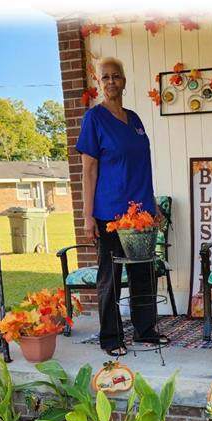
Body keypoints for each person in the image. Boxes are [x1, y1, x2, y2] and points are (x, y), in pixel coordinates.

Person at [76, 56, 168, 357]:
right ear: (99, 83)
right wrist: (88, 216)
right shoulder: (94, 119)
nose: (111, 81)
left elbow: (145, 167)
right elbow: (88, 170)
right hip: (110, 213)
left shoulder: (136, 120)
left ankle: (145, 331)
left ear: (124, 81)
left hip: (140, 213)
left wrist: (152, 205)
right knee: (111, 276)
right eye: (105, 77)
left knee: (144, 273)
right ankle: (111, 337)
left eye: (116, 76)